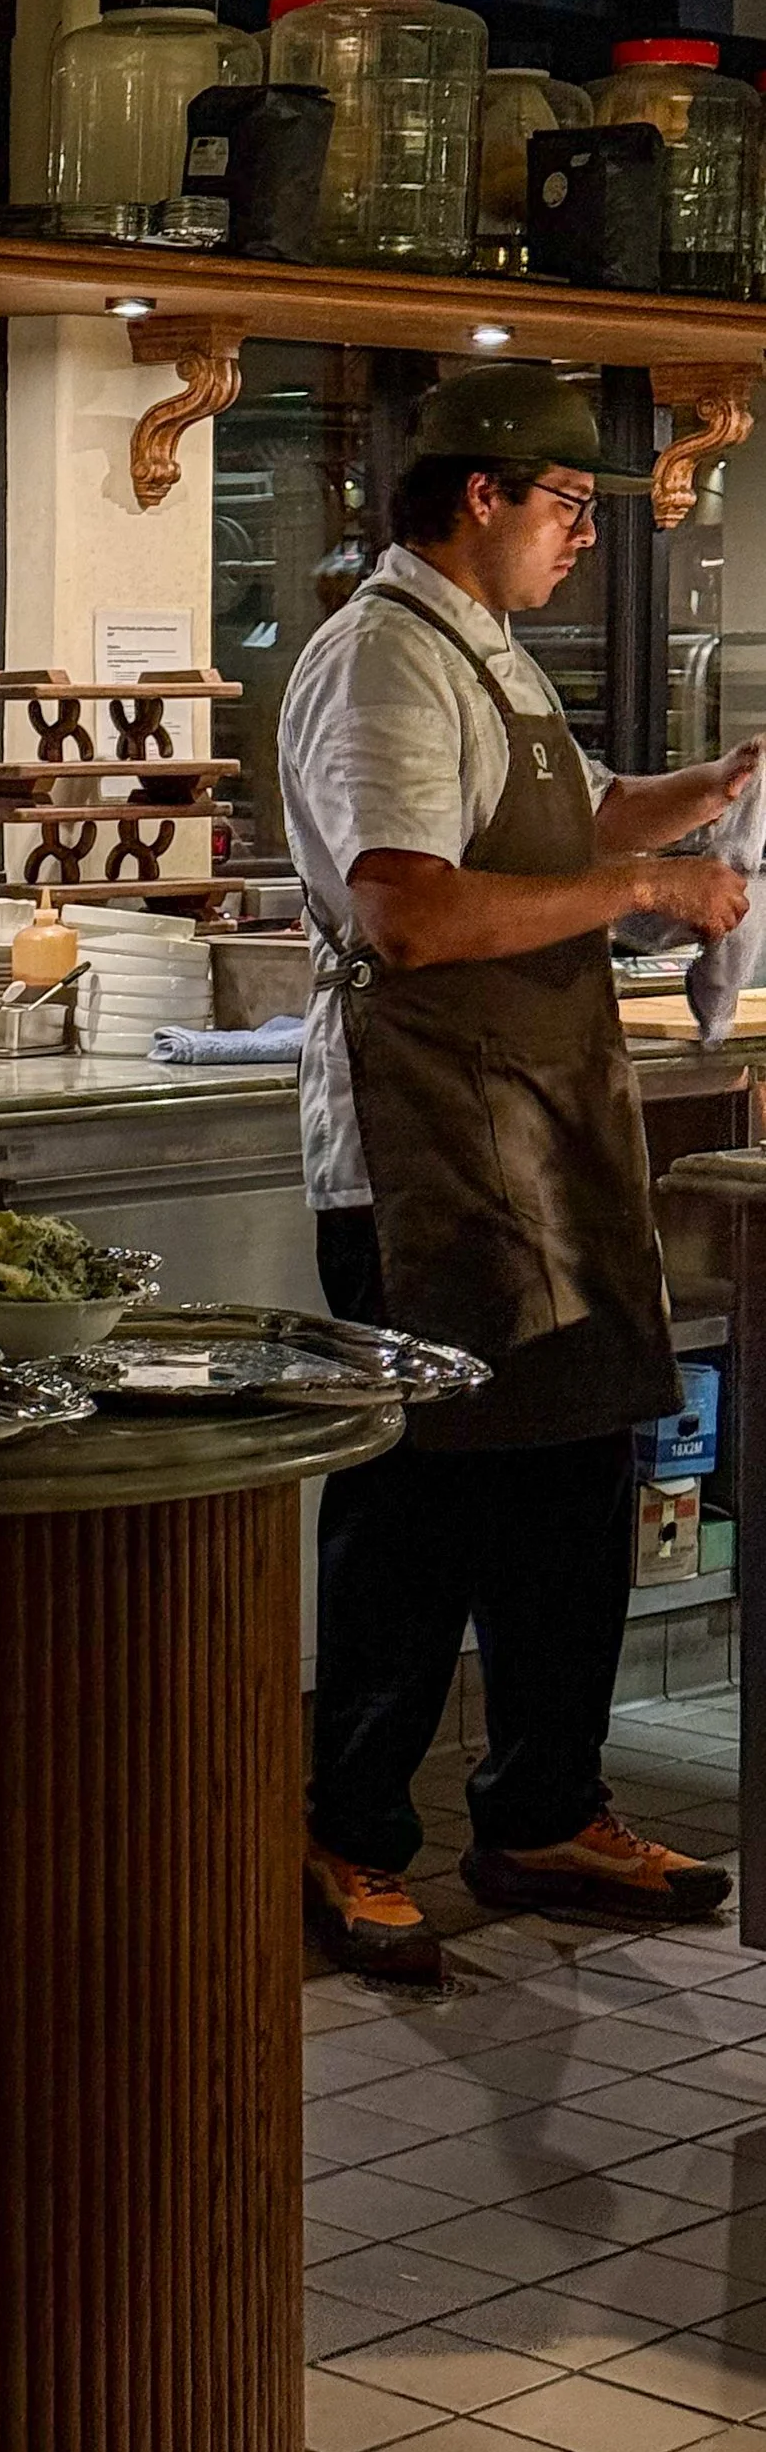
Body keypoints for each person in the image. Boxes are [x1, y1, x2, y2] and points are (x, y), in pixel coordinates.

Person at [283, 363, 760, 1981]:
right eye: (566, 507)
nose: (580, 538)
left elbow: (543, 828)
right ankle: (347, 1829)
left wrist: (687, 808)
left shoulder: (485, 658)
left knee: (566, 1484)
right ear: (480, 494)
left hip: (530, 1132)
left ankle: (544, 1803)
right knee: (419, 1508)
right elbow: (411, 905)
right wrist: (642, 883)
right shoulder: (384, 663)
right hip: (420, 1153)